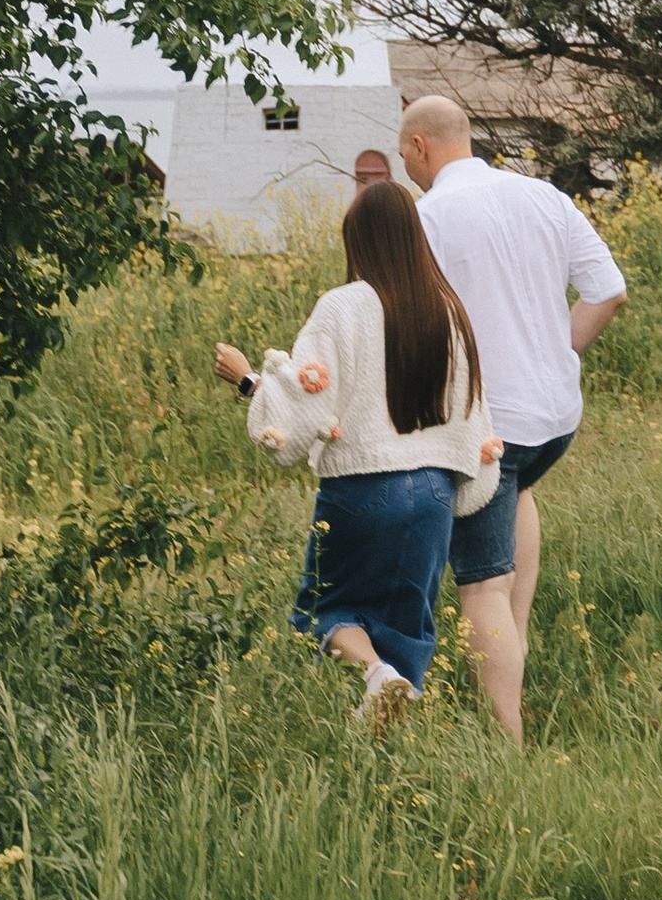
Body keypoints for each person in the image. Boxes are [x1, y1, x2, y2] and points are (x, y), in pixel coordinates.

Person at [214, 177, 500, 732]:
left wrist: (248, 378)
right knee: (408, 629)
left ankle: (373, 674)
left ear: (360, 243)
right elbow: (472, 410)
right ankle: (393, 742)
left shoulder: (342, 307)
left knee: (326, 612)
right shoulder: (448, 309)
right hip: (435, 492)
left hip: (364, 488)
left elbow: (301, 404)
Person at [397, 94, 626, 744]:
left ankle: (505, 739)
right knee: (518, 489)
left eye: (402, 152)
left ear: (420, 147)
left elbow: (411, 333)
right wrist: (558, 352)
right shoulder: (544, 197)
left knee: (480, 588)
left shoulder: (430, 216)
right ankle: (512, 651)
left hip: (493, 430)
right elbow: (608, 292)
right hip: (555, 417)